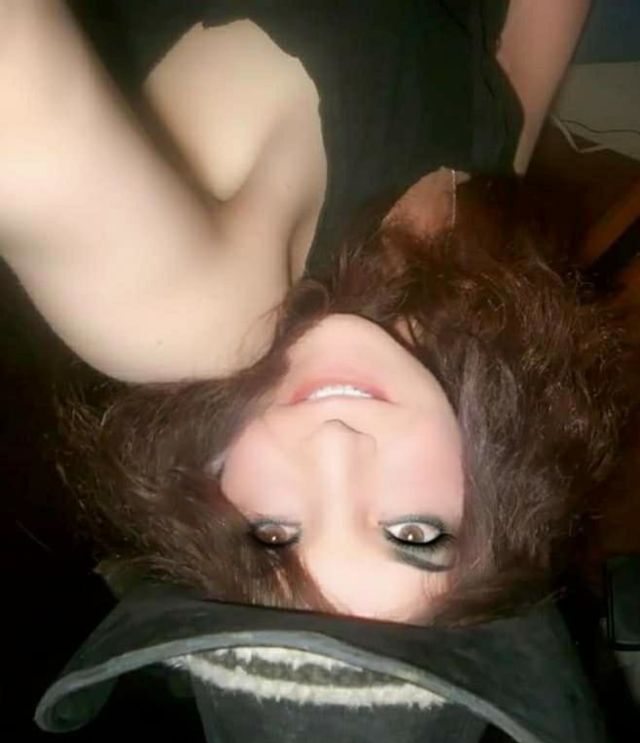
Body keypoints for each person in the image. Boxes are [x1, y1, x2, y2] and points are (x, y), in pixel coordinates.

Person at [2, 0, 621, 626]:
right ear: (495, 499)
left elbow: (28, 134)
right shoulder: (471, 272)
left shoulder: (182, 319)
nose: (334, 445)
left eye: (274, 535)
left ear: (212, 502)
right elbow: (525, 52)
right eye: (412, 532)